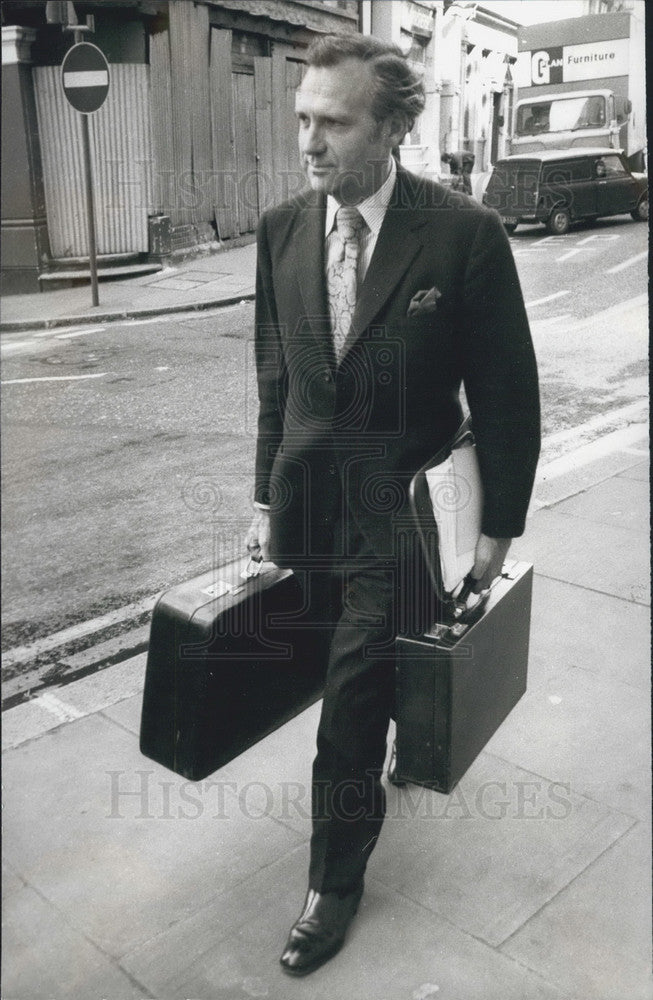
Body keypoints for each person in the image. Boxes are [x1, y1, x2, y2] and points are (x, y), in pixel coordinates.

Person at [246, 33, 540, 977]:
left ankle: (333, 882)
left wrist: (498, 527)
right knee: (319, 680)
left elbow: (504, 389)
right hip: (306, 512)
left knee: (348, 709)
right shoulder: (281, 230)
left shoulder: (460, 233)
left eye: (333, 123)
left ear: (394, 127)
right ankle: (383, 759)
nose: (309, 142)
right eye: (301, 119)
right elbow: (273, 379)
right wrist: (262, 499)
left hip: (400, 522)